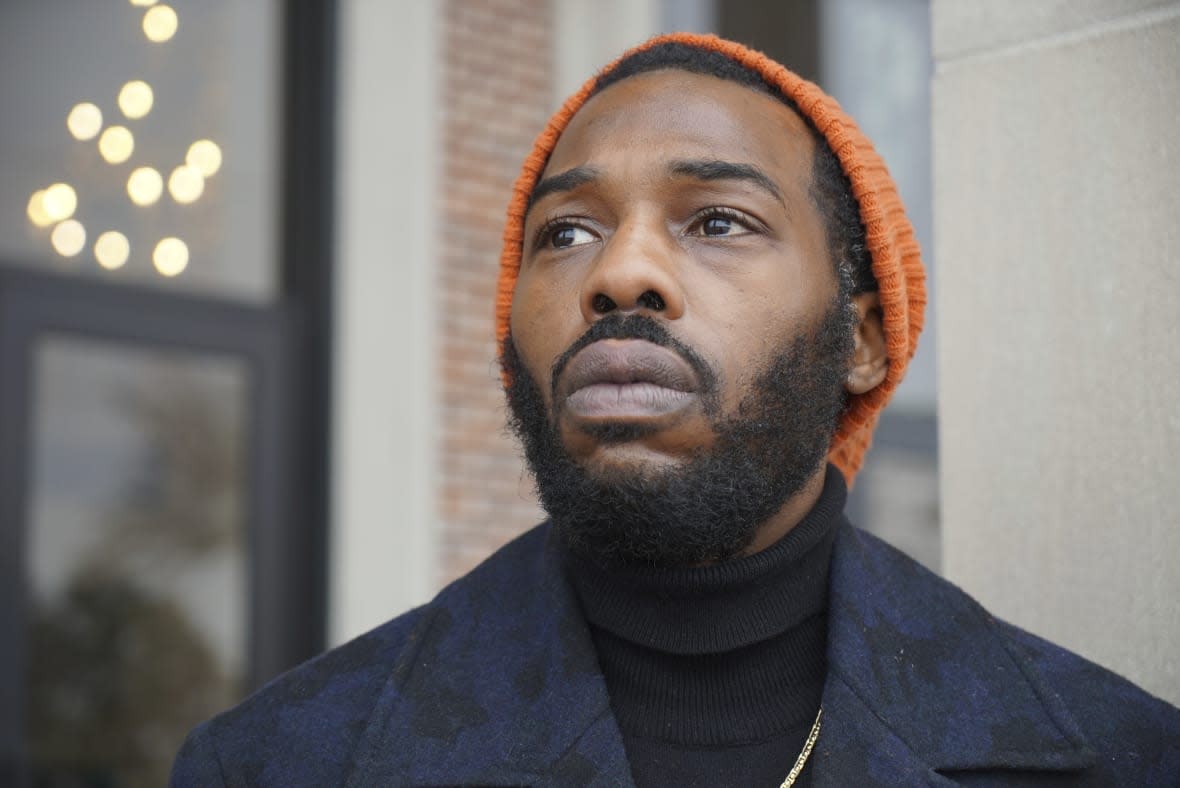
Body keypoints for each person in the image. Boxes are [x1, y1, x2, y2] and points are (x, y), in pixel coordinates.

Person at [171, 33, 1180, 787]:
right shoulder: (274, 761)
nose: (620, 272)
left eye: (718, 219)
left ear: (864, 340)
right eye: (565, 232)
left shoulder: (1127, 755)